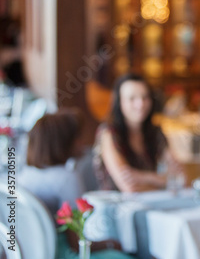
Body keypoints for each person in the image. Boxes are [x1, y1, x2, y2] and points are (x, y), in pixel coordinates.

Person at [18, 109, 135, 259]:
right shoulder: (67, 179)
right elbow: (76, 243)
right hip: (59, 253)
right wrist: (112, 244)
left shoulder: (24, 175)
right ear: (63, 142)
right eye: (77, 137)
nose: (83, 142)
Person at [93, 73, 181, 192]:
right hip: (117, 207)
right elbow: (129, 188)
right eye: (132, 98)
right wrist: (161, 181)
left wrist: (140, 177)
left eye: (145, 97)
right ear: (119, 102)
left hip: (153, 205)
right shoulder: (108, 133)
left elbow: (180, 178)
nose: (140, 104)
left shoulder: (155, 132)